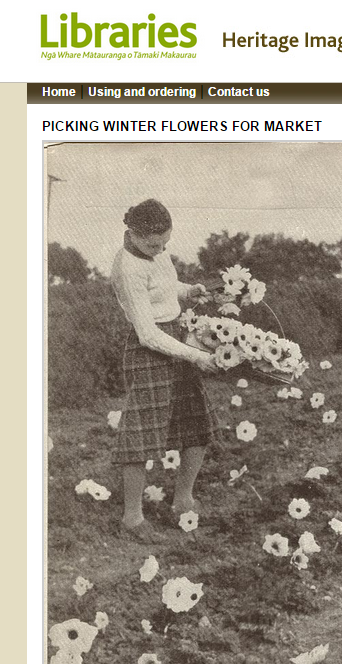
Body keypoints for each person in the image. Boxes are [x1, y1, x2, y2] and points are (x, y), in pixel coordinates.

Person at [109, 198, 219, 541]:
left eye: (164, 244)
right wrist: (196, 356)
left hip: (175, 338)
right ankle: (132, 518)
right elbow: (147, 333)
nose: (159, 250)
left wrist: (190, 290)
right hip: (149, 349)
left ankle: (183, 499)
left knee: (196, 421)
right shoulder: (128, 268)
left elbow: (166, 288)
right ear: (132, 234)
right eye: (152, 244)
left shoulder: (155, 252)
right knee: (141, 433)